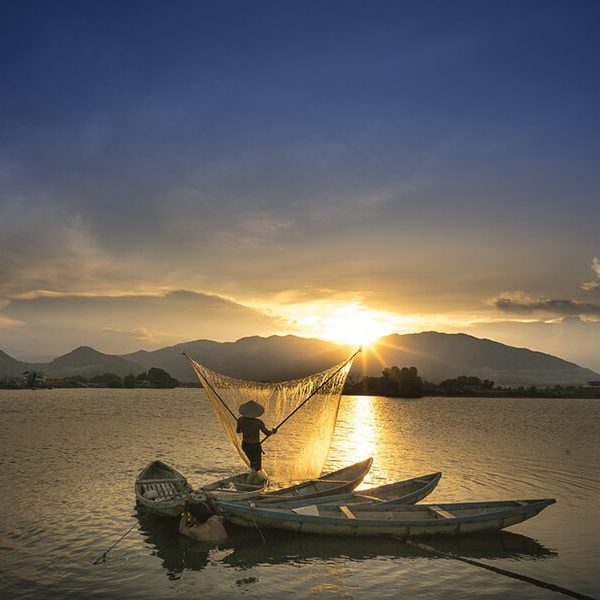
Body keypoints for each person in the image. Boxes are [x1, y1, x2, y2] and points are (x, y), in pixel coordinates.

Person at [236, 400, 277, 483]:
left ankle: (253, 479)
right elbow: (267, 433)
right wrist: (273, 432)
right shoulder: (258, 422)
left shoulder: (240, 420)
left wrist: (243, 427)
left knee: (253, 464)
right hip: (255, 446)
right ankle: (249, 483)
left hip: (245, 445)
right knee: (257, 467)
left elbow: (238, 431)